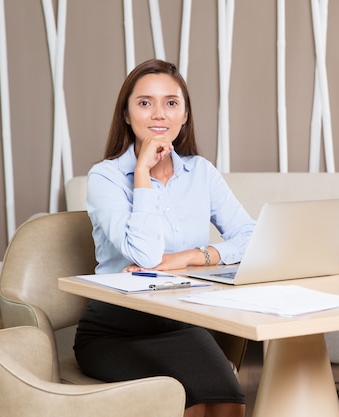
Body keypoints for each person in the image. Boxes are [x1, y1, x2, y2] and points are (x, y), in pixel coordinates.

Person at [74, 59, 255, 417]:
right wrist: (142, 172)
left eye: (171, 103)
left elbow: (250, 237)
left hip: (183, 321)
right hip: (116, 329)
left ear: (185, 115)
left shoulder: (201, 172)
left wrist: (187, 257)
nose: (159, 114)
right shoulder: (105, 178)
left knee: (228, 402)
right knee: (188, 402)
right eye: (145, 103)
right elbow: (145, 254)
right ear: (126, 114)